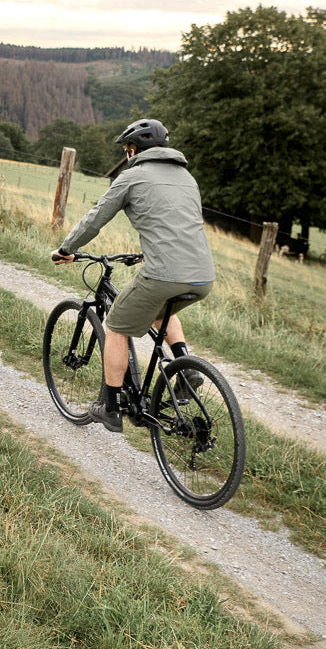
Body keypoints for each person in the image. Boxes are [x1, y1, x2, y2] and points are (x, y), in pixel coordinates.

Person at [51, 118, 214, 432]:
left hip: (165, 273)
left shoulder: (132, 176)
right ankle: (185, 369)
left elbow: (95, 219)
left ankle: (109, 407)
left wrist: (67, 247)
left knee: (115, 325)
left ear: (132, 150)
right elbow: (176, 223)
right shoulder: (187, 177)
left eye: (127, 151)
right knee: (161, 310)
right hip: (203, 276)